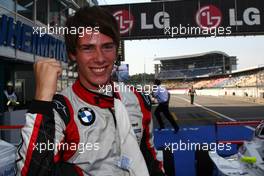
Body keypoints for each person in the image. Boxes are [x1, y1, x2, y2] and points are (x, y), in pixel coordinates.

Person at [16, 6, 165, 176]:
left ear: (117, 50)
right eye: (88, 48)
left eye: (107, 47)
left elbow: (150, 161)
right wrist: (42, 99)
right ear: (73, 53)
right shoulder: (60, 109)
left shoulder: (137, 99)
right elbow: (31, 173)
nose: (100, 58)